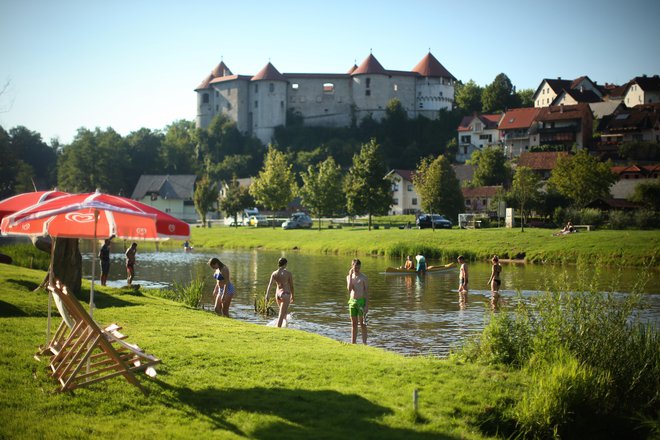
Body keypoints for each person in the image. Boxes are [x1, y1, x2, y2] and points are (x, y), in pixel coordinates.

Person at [265, 257, 294, 327]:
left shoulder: (274, 273)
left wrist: (267, 295)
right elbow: (292, 286)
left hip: (277, 294)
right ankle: (278, 328)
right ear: (285, 264)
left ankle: (286, 325)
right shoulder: (288, 274)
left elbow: (270, 285)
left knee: (284, 312)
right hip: (285, 294)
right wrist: (293, 296)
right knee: (281, 313)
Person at [347, 258, 368, 344]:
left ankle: (365, 343)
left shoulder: (363, 277)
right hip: (352, 302)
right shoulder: (349, 277)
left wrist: (366, 305)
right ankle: (353, 343)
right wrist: (351, 276)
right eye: (355, 267)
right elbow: (349, 289)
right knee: (353, 324)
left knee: (362, 324)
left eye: (358, 267)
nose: (357, 269)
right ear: (352, 267)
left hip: (361, 302)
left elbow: (366, 292)